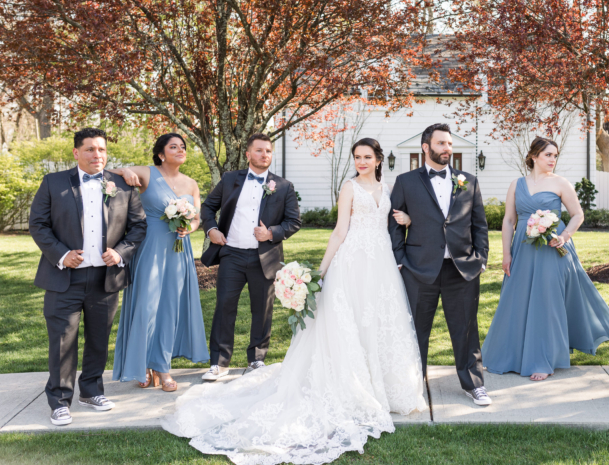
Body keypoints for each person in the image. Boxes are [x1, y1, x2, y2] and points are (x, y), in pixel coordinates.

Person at [162, 138, 426, 464]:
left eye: (366, 157)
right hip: (352, 262)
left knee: (380, 323)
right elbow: (340, 232)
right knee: (348, 322)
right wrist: (322, 272)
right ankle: (227, 362)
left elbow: (390, 221)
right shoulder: (348, 188)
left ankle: (383, 385)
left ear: (378, 159)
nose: (360, 161)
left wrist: (408, 221)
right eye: (356, 156)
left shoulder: (387, 189)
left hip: (380, 265)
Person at [29, 128, 147, 426]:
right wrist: (60, 254)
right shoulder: (53, 183)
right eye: (91, 149)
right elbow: (38, 224)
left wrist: (120, 253)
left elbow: (138, 227)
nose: (98, 155)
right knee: (62, 341)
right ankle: (59, 400)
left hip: (105, 279)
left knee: (98, 339)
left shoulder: (121, 184)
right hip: (63, 278)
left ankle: (91, 391)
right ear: (76, 152)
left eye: (102, 150)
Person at [482, 137, 609, 381]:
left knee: (547, 303)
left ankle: (543, 359)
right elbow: (509, 220)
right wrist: (506, 253)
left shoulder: (561, 183)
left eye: (555, 155)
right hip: (523, 249)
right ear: (534, 156)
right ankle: (513, 356)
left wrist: (565, 236)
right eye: (548, 155)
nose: (552, 160)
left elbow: (577, 214)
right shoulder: (516, 185)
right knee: (516, 300)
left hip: (553, 249)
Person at [389, 123, 492, 406]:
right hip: (419, 268)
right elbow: (394, 224)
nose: (448, 148)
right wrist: (400, 260)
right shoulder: (405, 182)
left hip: (462, 268)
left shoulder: (468, 180)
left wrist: (480, 260)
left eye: (449, 143)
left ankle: (474, 384)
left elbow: (479, 225)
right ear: (426, 147)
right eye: (441, 144)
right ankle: (413, 384)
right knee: (415, 330)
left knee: (466, 329)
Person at [110, 133, 209, 391]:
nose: (180, 149)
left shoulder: (192, 184)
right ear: (161, 154)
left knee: (169, 307)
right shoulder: (147, 173)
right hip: (150, 247)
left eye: (183, 147)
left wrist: (191, 227)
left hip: (179, 250)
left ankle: (163, 368)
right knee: (146, 305)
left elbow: (197, 219)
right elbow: (108, 172)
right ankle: (141, 365)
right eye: (173, 146)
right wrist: (125, 172)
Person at [200, 133, 301, 380]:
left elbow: (294, 222)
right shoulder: (230, 179)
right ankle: (219, 363)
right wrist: (212, 229)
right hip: (232, 254)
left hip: (264, 257)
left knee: (262, 310)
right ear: (248, 154)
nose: (264, 155)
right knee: (224, 306)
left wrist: (271, 233)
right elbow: (207, 207)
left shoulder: (284, 186)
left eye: (268, 151)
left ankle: (256, 360)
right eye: (258, 150)